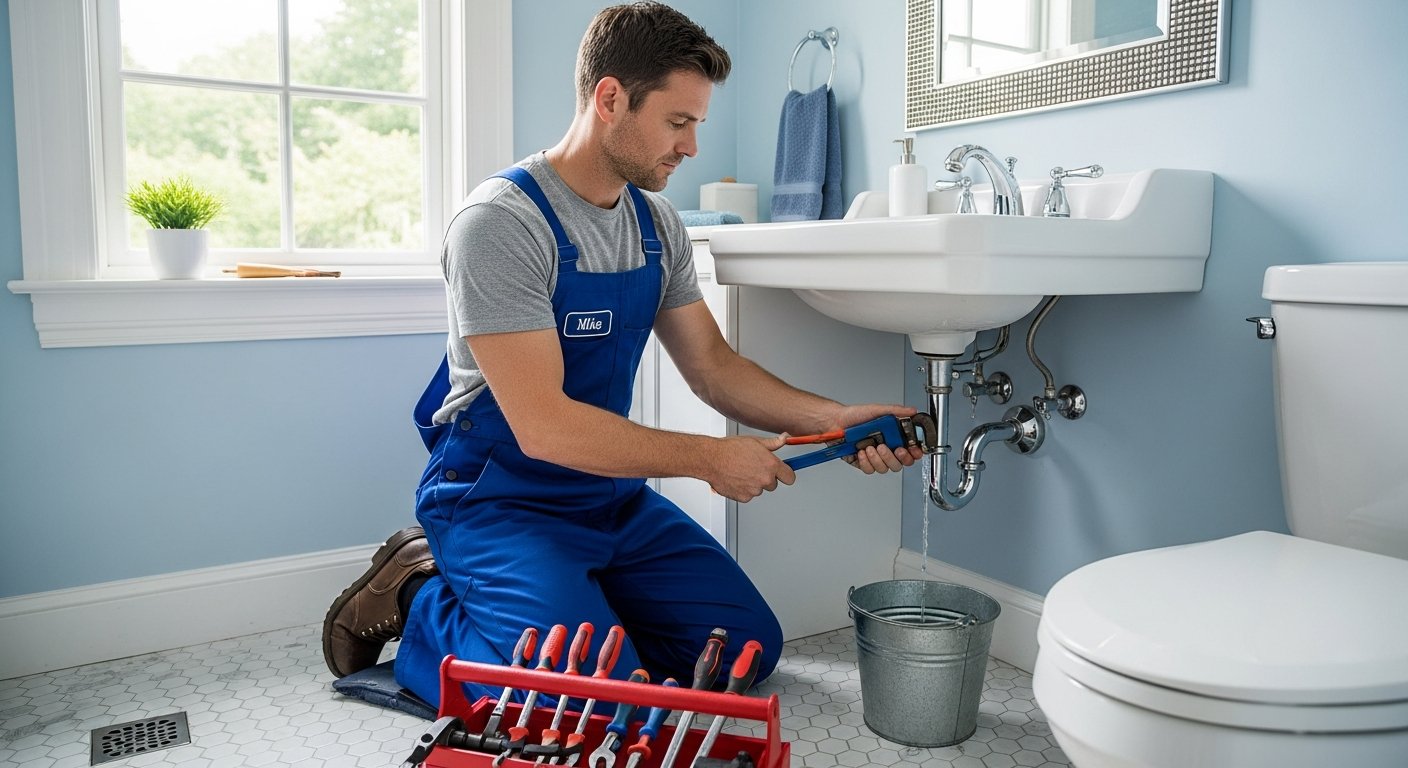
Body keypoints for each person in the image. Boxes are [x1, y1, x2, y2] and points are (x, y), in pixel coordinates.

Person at [322, 1, 923, 707]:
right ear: (610, 99)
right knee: (588, 707)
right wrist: (710, 459)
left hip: (607, 493)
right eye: (678, 122)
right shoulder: (500, 225)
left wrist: (835, 418)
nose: (691, 146)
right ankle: (421, 593)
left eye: (697, 124)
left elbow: (714, 367)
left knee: (742, 652)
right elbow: (544, 427)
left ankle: (576, 619)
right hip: (501, 501)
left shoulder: (656, 223)